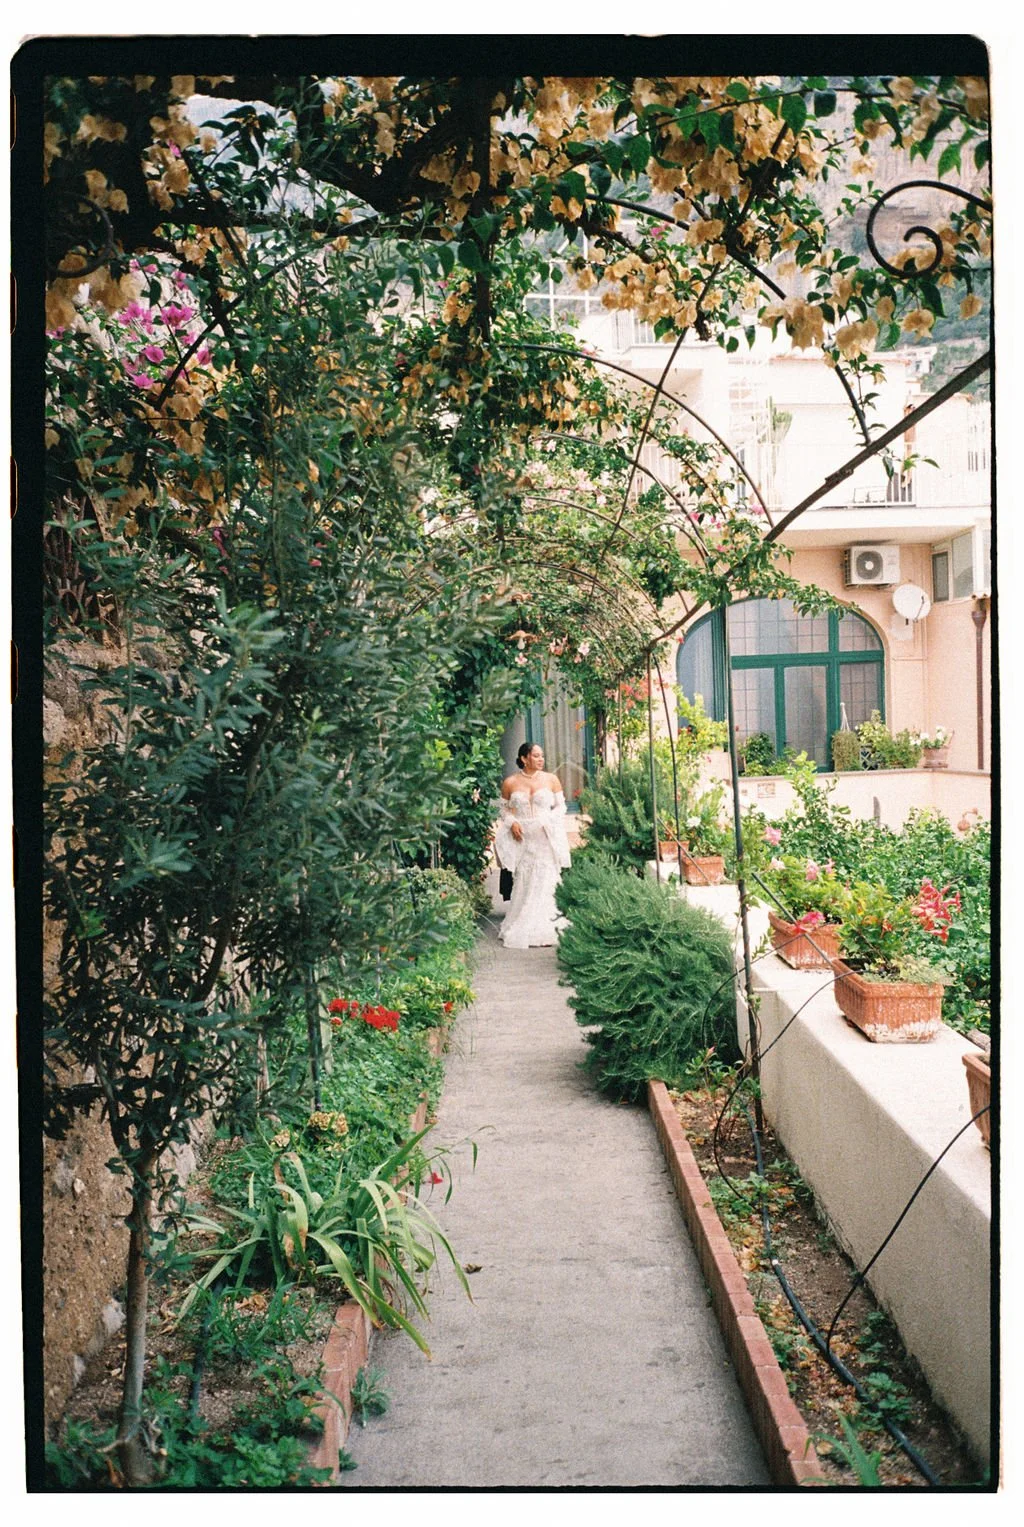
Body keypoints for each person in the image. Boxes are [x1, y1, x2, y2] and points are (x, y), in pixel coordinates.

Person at [494, 742, 571, 948]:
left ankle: (549, 922)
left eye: (542, 756)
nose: (541, 759)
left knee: (546, 876)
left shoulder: (551, 779)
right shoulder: (510, 782)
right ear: (523, 758)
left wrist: (548, 820)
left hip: (545, 835)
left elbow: (561, 806)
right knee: (525, 876)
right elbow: (504, 810)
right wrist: (512, 823)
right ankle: (522, 920)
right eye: (536, 756)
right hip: (524, 836)